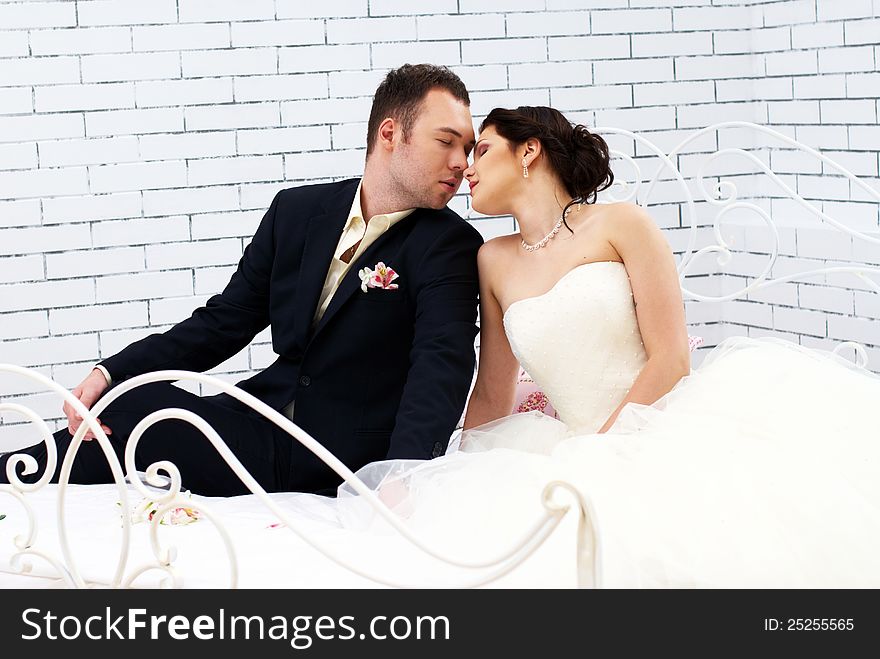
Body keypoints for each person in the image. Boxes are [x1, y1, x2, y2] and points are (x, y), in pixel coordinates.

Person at [249, 106, 880, 587]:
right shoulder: (491, 260)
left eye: (483, 149)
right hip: (568, 443)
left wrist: (605, 451)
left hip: (659, 423)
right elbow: (494, 390)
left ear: (529, 153)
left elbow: (671, 357)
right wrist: (430, 470)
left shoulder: (622, 224)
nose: (466, 165)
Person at [0, 63, 483, 497]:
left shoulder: (451, 246)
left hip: (338, 458)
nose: (462, 162)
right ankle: (18, 473)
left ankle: (12, 472)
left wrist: (401, 477)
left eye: (467, 147)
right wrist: (111, 374)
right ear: (390, 133)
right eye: (447, 141)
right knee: (135, 399)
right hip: (262, 418)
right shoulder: (297, 213)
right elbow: (223, 323)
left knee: (139, 416)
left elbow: (440, 367)